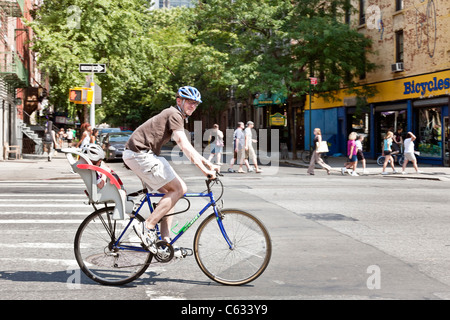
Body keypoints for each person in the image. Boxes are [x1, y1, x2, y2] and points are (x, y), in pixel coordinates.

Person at [123, 86, 219, 253]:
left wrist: (207, 163)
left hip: (139, 154)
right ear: (179, 101)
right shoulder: (174, 114)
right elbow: (182, 144)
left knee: (171, 194)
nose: (193, 106)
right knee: (179, 188)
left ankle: (165, 242)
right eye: (189, 102)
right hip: (139, 154)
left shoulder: (174, 114)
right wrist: (204, 171)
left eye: (196, 104)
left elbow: (187, 144)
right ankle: (147, 225)